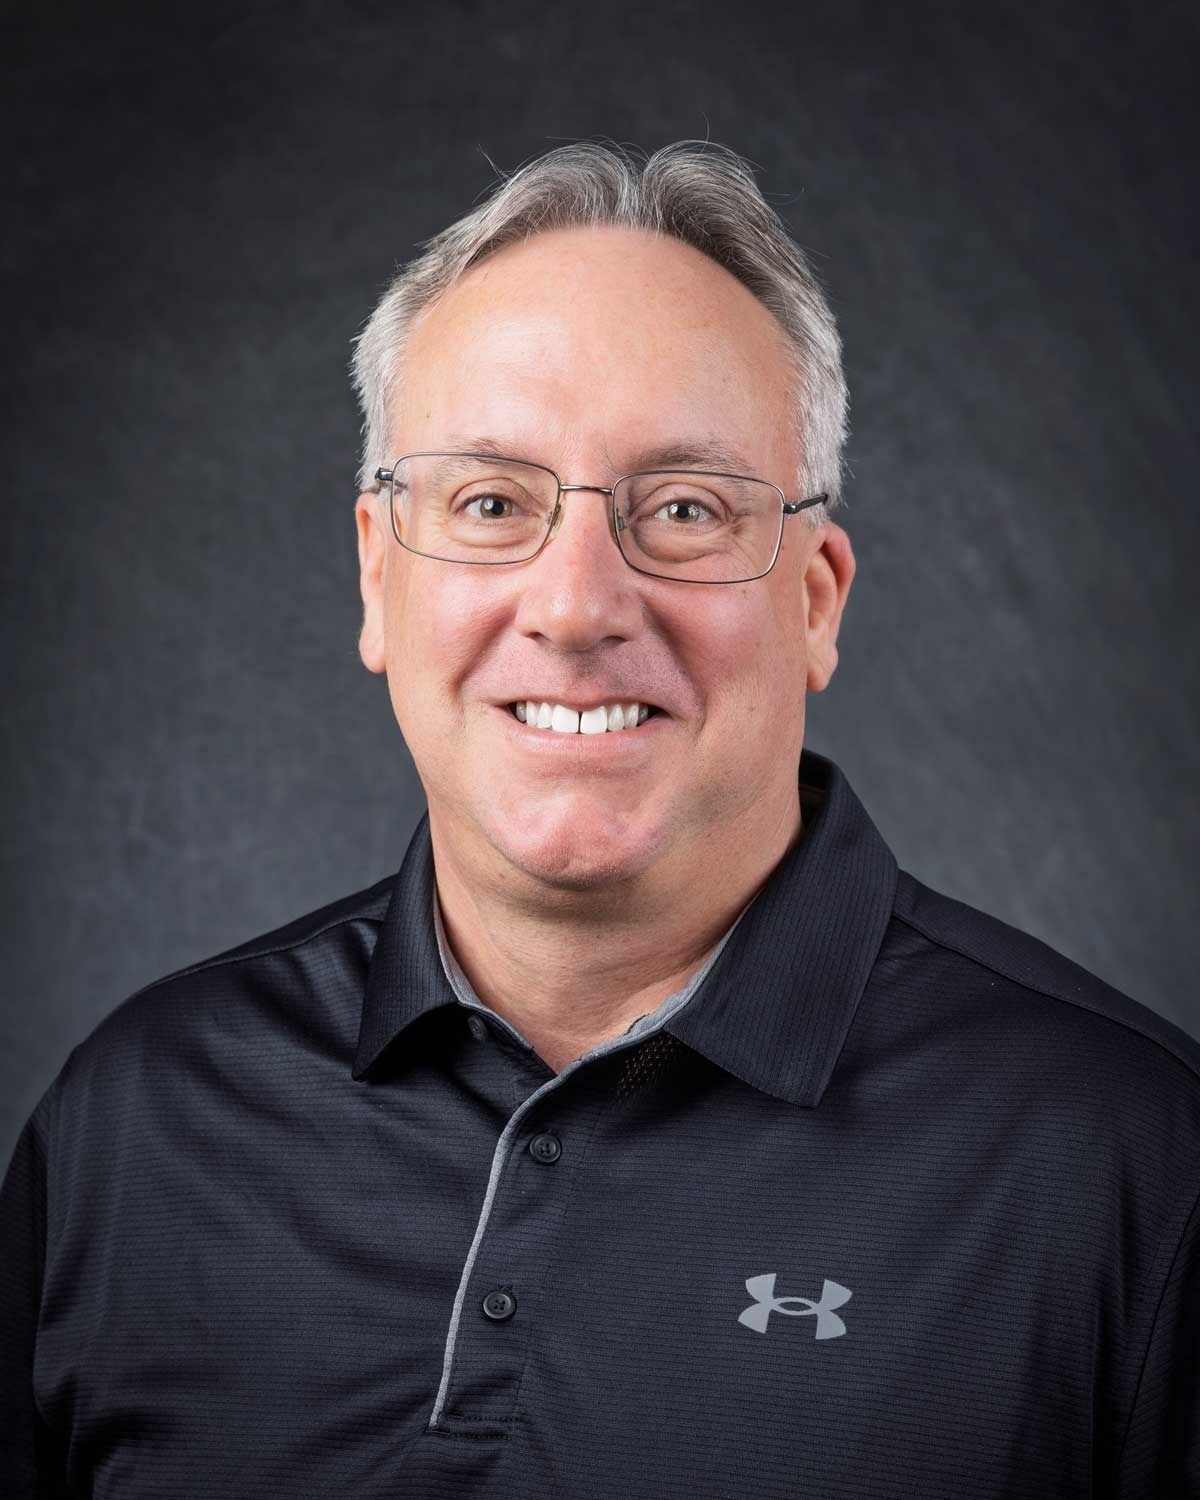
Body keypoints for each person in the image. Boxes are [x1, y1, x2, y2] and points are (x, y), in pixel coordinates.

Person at [1, 139, 1196, 1499]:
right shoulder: (138, 1124)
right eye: (491, 502)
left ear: (816, 598)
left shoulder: (1131, 1173)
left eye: (684, 508)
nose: (574, 607)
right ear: (376, 579)